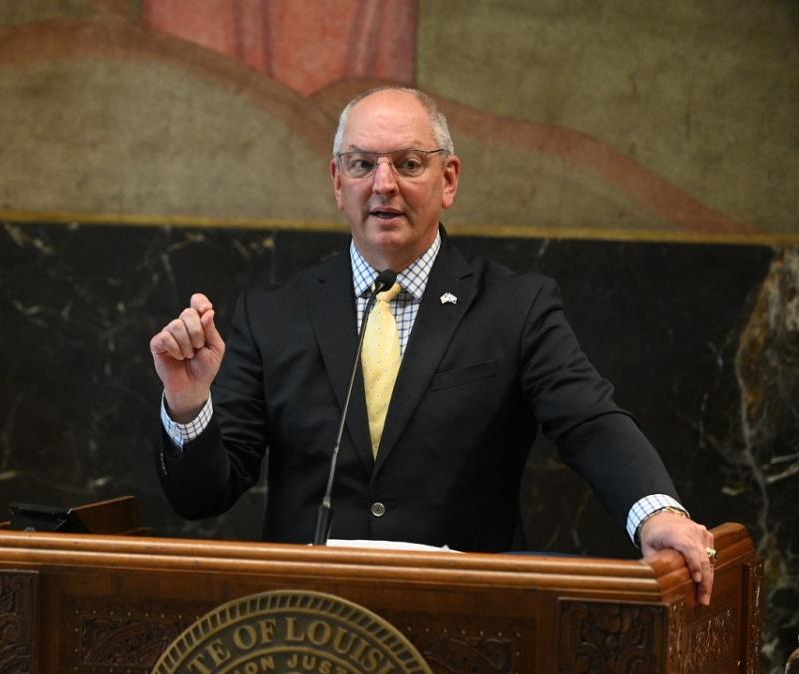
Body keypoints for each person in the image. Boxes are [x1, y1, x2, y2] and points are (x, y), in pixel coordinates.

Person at [149, 86, 717, 605]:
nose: (384, 184)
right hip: (306, 626)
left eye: (409, 163)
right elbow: (203, 497)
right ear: (337, 182)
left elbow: (590, 420)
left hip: (469, 619)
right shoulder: (273, 315)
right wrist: (189, 405)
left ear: (448, 181)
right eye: (363, 164)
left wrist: (655, 514)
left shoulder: (515, 308)